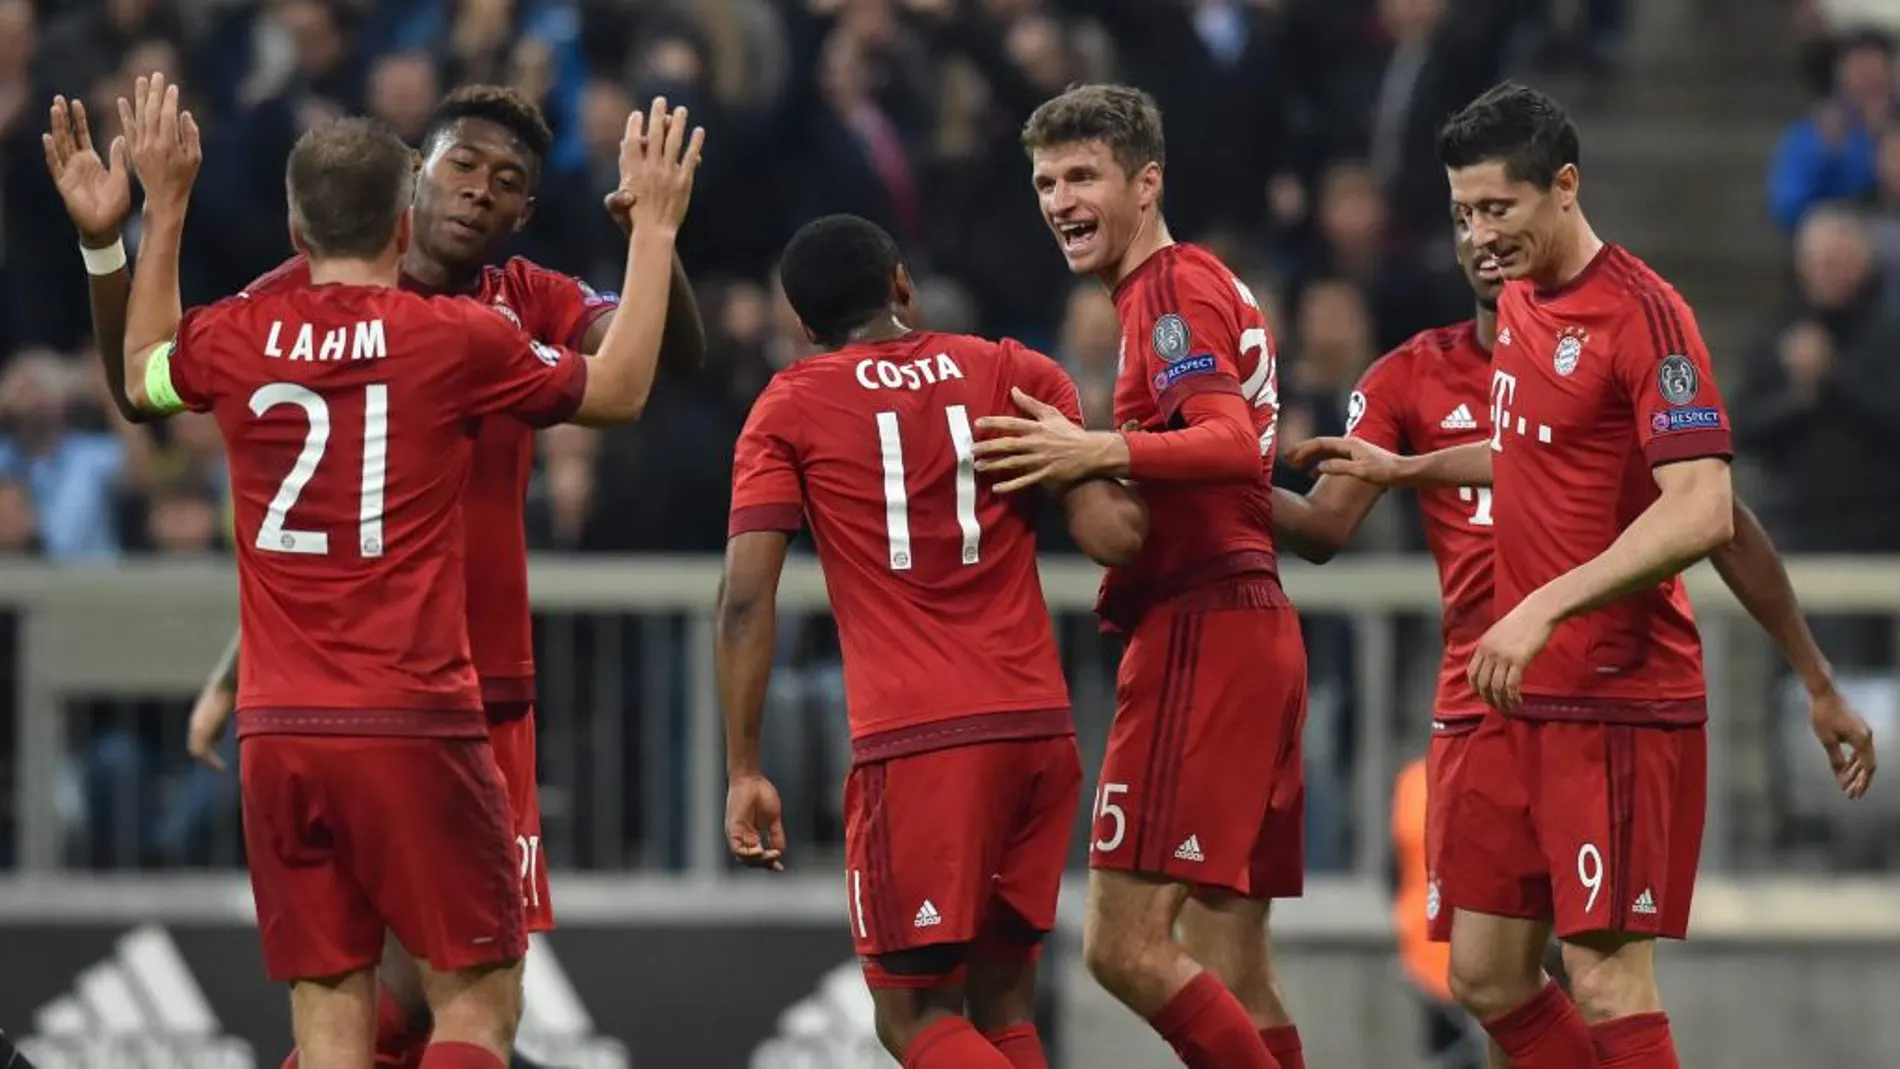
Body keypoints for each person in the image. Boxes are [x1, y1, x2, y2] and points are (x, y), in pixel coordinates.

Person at [44, 80, 706, 1068]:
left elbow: (145, 376)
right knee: (469, 994)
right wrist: (656, 226)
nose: (481, 192)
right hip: (422, 706)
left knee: (360, 1009)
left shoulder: (505, 298)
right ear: (410, 191)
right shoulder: (468, 336)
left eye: (509, 181)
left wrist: (135, 231)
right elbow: (625, 386)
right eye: (463, 167)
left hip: (421, 702)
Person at [1288, 82, 1877, 1069]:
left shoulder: (1645, 316)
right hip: (1523, 694)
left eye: (1497, 209)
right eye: (1461, 213)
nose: (1477, 237)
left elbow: (1704, 509)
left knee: (1603, 977)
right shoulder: (1521, 298)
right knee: (1483, 973)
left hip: (1616, 694)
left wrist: (1540, 608)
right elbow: (1537, 447)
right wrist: (1413, 467)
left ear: (1563, 187)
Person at [717, 213, 1149, 1069]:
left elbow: (743, 600)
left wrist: (742, 768)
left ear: (803, 326)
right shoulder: (1019, 370)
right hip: (1037, 728)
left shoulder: (790, 404)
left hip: (918, 743)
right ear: (901, 285)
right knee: (1001, 1004)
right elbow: (1116, 537)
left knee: (912, 1018)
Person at [975, 83, 1306, 1069]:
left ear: (1146, 180)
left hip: (1202, 630)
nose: (1060, 200)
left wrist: (1089, 450)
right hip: (1254, 624)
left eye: (1083, 176)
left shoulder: (1166, 292)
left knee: (1120, 946)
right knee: (1231, 964)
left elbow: (1228, 439)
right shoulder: (1200, 286)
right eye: (1045, 181)